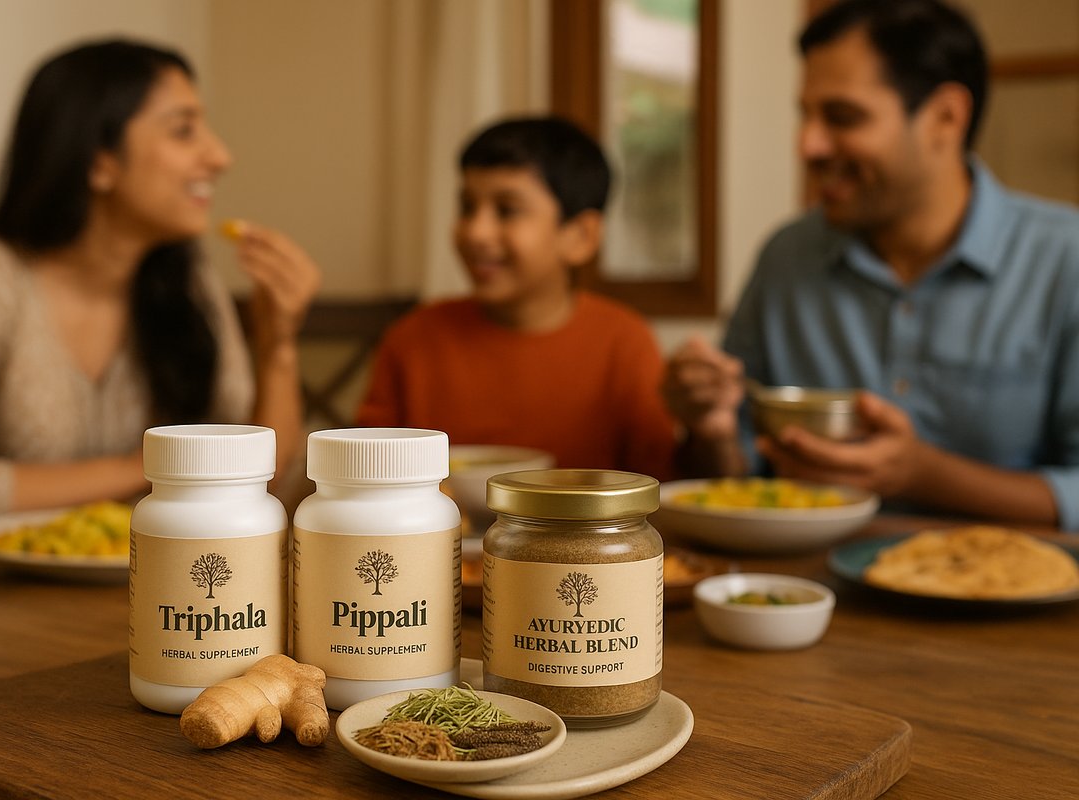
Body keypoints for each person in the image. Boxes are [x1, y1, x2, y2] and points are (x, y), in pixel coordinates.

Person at [664, 0, 1079, 530]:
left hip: (1012, 595)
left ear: (945, 118)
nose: (807, 145)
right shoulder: (788, 257)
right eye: (805, 116)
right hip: (811, 598)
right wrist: (710, 429)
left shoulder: (1063, 258)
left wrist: (924, 474)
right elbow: (735, 482)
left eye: (842, 117)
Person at [0, 39, 320, 538]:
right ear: (98, 160)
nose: (220, 155)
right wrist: (162, 463)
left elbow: (263, 479)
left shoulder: (187, 279)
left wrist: (279, 345)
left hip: (155, 594)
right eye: (183, 131)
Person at [356, 115, 678, 480]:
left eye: (507, 210)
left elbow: (659, 483)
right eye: (467, 207)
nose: (477, 232)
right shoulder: (412, 339)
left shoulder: (624, 343)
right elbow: (365, 469)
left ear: (580, 237)